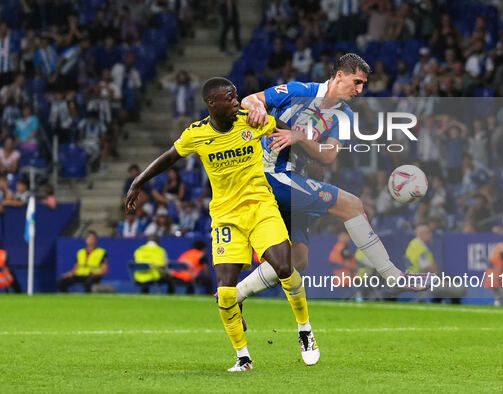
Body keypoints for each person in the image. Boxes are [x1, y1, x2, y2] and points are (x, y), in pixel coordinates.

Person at [125, 77, 319, 371]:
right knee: (226, 292)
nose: (236, 101)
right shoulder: (197, 134)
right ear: (212, 103)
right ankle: (243, 358)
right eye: (229, 98)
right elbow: (169, 157)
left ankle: (305, 331)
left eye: (236, 96)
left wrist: (296, 139)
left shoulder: (252, 121)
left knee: (283, 266)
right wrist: (138, 182)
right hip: (226, 217)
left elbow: (287, 130)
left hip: (260, 207)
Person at [236, 53, 426, 305]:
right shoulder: (299, 90)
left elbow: (329, 155)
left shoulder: (345, 115)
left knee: (297, 260)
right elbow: (249, 100)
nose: (360, 89)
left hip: (292, 177)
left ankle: (234, 295)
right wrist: (259, 110)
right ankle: (392, 276)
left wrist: (300, 138)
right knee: (352, 205)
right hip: (267, 173)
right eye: (356, 82)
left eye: (363, 85)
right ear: (339, 75)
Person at [405, 224, 465, 303]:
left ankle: (438, 301)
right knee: (454, 285)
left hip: (416, 278)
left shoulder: (414, 244)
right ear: (421, 234)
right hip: (421, 280)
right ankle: (452, 304)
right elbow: (430, 269)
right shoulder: (420, 248)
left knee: (448, 279)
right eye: (428, 233)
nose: (431, 235)